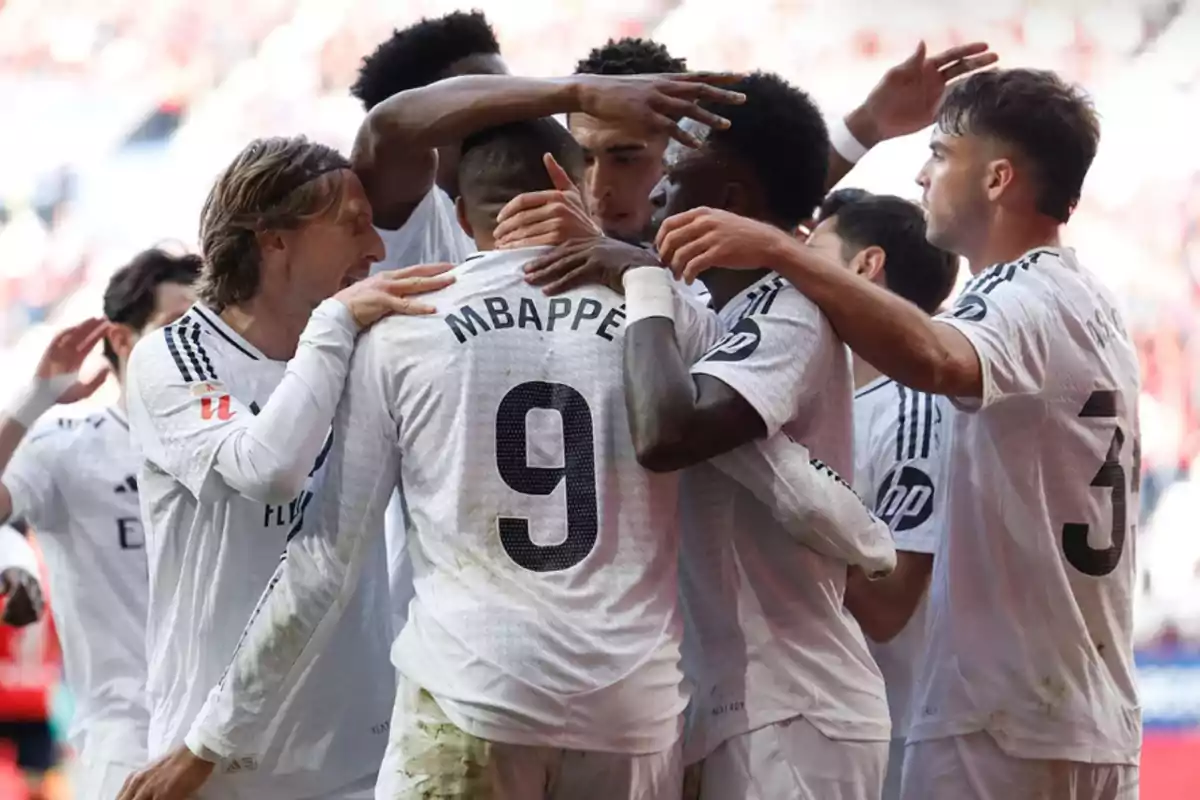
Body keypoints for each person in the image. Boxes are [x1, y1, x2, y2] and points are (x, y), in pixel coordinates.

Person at [172, 115, 889, 800]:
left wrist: (211, 738)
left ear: (457, 215)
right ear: (573, 188)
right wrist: (867, 539)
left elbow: (325, 560)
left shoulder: (400, 329)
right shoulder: (659, 309)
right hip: (631, 711)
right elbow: (772, 470)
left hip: (474, 691)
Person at [655, 68, 1141, 799]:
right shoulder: (1090, 299)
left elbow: (935, 358)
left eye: (943, 154)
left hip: (1001, 724)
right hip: (1085, 710)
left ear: (998, 178)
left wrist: (785, 253)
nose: (922, 172)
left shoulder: (1018, 298)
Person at [116, 136, 455, 800]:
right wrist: (335, 322)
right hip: (212, 765)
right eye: (353, 226)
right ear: (273, 242)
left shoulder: (364, 351)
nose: (378, 250)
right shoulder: (174, 356)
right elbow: (269, 470)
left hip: (358, 756)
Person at [496, 39, 997, 263]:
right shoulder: (530, 247)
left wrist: (866, 126)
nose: (598, 186)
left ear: (680, 151)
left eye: (626, 157)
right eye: (583, 157)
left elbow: (762, 198)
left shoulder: (728, 263)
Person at [0, 249, 200, 799]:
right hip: (130, 745)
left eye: (206, 329)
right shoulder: (64, 450)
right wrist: (34, 400)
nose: (195, 348)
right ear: (120, 340)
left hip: (237, 740)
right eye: (173, 328)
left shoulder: (242, 446)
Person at [806, 192, 959, 799]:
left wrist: (784, 504)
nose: (794, 265)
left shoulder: (914, 410)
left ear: (866, 265)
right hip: (823, 723)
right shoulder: (834, 393)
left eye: (814, 251)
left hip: (890, 743)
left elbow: (890, 605)